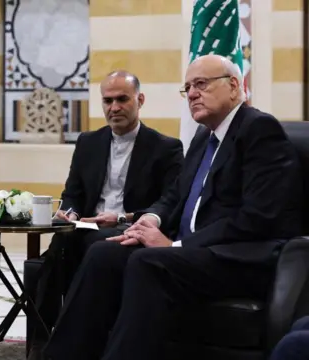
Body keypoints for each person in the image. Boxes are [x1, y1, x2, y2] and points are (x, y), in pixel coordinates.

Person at [36, 54, 304, 360]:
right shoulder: (205, 137)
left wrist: (175, 244)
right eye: (187, 87)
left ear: (233, 86)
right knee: (103, 252)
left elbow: (257, 218)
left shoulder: (259, 129)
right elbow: (174, 196)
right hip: (196, 251)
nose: (191, 94)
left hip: (239, 255)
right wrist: (149, 220)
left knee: (148, 262)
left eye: (201, 84)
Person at [27, 71, 184, 355]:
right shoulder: (88, 141)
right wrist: (70, 213)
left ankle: (66, 344)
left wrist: (123, 217)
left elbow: (169, 203)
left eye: (122, 99)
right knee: (62, 240)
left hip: (127, 230)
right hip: (85, 227)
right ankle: (40, 335)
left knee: (88, 246)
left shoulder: (166, 148)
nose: (114, 108)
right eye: (107, 101)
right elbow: (72, 193)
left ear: (140, 100)